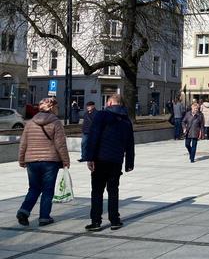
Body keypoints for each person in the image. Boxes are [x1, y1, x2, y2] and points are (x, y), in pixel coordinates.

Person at [83, 94, 134, 231]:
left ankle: (96, 221)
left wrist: (89, 157)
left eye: (107, 102)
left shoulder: (102, 116)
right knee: (113, 190)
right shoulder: (126, 119)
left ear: (111, 103)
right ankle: (115, 220)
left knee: (97, 191)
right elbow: (130, 143)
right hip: (116, 160)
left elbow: (93, 137)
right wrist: (129, 162)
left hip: (100, 159)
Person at [16, 97, 70, 227]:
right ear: (52, 108)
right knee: (47, 190)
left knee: (34, 188)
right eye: (57, 107)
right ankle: (44, 217)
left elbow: (23, 143)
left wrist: (21, 159)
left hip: (32, 160)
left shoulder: (30, 123)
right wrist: (65, 160)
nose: (58, 110)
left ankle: (24, 211)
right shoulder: (56, 123)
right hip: (50, 161)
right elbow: (60, 144)